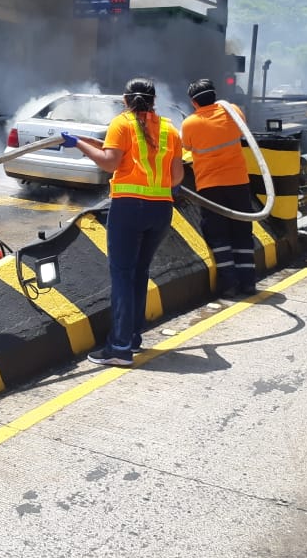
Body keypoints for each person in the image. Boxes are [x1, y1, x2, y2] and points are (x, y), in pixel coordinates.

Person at [63, 77, 183, 367]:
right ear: (154, 101)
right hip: (161, 211)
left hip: (129, 208)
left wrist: (78, 143)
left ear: (126, 100)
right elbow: (177, 177)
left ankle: (119, 348)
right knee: (139, 274)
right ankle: (132, 338)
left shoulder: (122, 123)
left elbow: (109, 162)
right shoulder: (169, 129)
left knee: (122, 276)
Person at [181, 78, 257, 297]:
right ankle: (248, 283)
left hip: (210, 186)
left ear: (193, 103)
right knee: (243, 232)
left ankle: (229, 284)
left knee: (218, 235)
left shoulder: (190, 123)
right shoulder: (233, 111)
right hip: (238, 182)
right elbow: (241, 130)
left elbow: (186, 147)